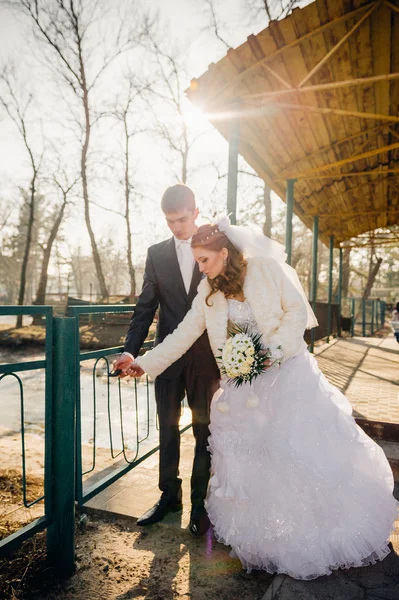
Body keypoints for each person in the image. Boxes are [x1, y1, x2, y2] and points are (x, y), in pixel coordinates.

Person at [128, 217, 398, 580]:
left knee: (293, 453)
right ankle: (266, 537)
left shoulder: (268, 269)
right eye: (198, 263)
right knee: (254, 462)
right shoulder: (208, 294)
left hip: (287, 377)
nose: (201, 269)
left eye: (205, 260)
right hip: (243, 388)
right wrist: (142, 363)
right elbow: (181, 335)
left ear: (224, 253)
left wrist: (273, 350)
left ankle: (308, 531)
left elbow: (297, 312)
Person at [113, 185, 219, 536]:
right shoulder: (156, 254)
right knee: (168, 428)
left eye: (182, 219)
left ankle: (200, 506)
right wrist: (131, 349)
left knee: (205, 431)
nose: (176, 227)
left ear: (196, 212)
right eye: (170, 221)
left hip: (207, 359)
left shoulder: (215, 246)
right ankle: (168, 497)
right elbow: (145, 309)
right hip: (166, 359)